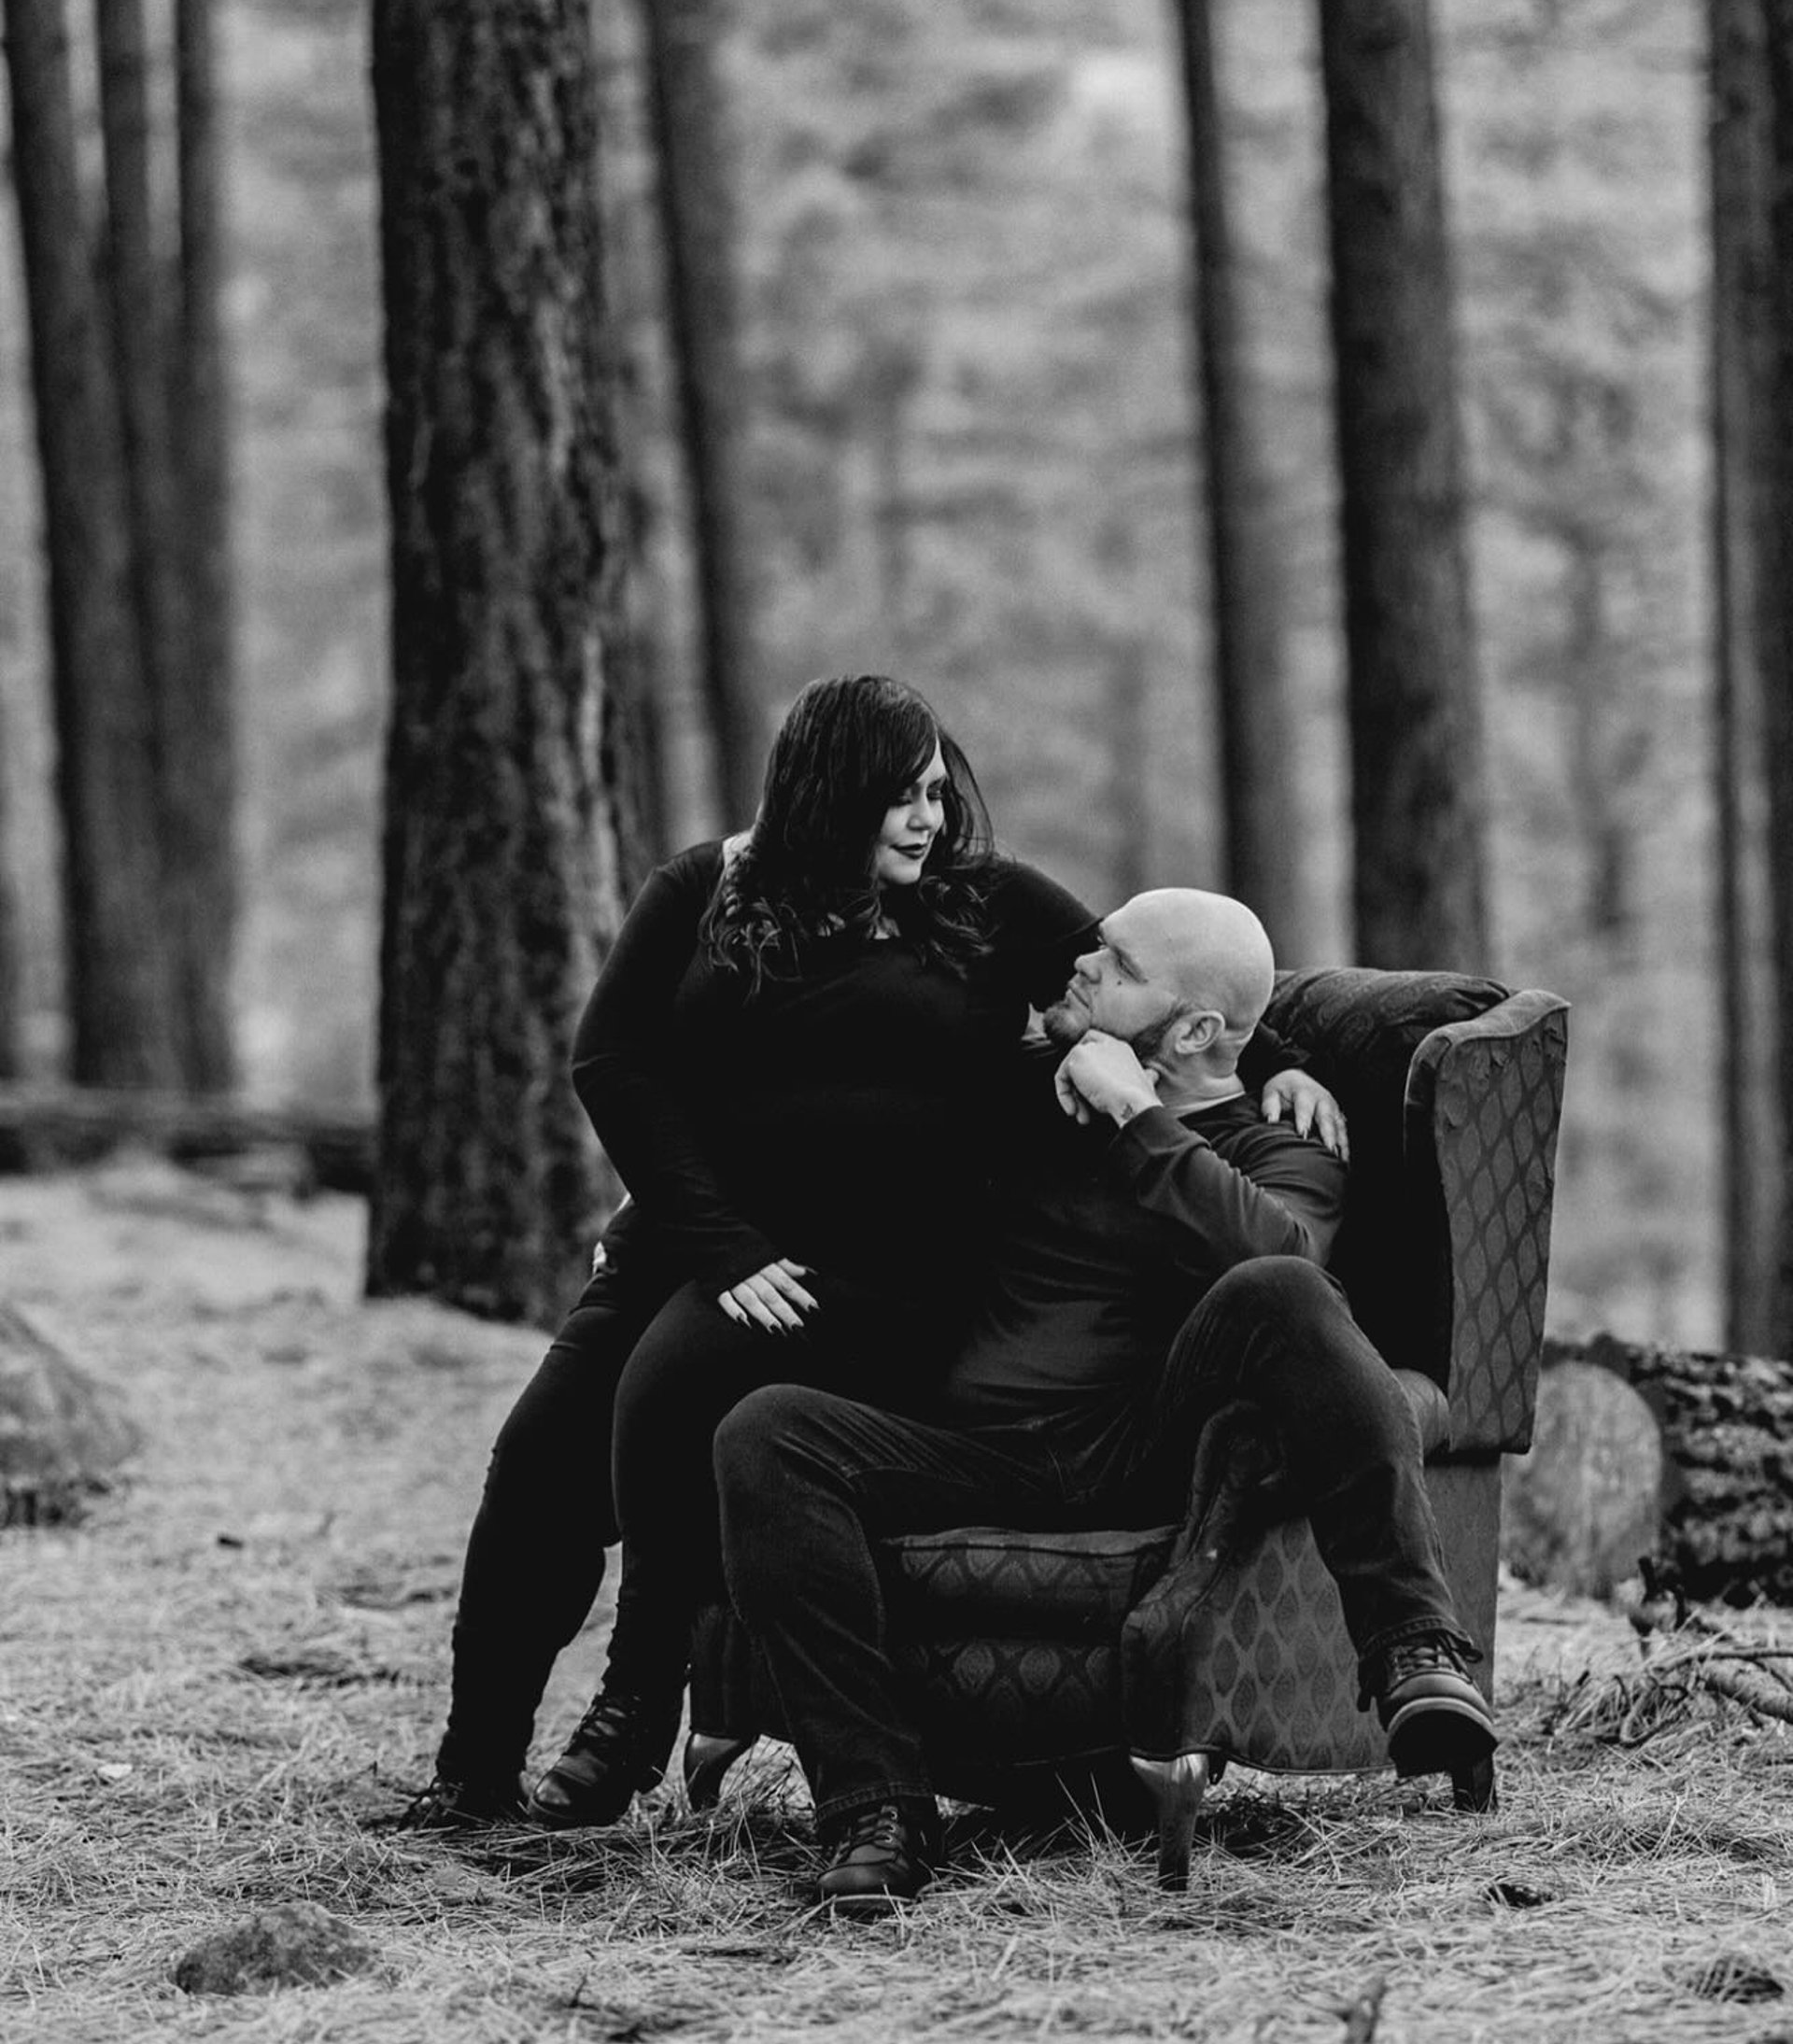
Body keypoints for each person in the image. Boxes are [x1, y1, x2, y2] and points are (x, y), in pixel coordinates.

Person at [403, 682, 1341, 1830]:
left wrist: (1285, 1052)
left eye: (938, 793)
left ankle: (637, 1700)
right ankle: (471, 1775)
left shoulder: (982, 903)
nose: (927, 820)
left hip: (873, 1268)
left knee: (669, 1386)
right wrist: (717, 1238)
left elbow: (1145, 973)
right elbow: (614, 1061)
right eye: (899, 796)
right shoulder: (705, 892)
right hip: (700, 1242)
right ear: (825, 790)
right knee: (540, 1460)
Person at [712, 886, 1496, 1911]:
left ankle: (1413, 1650)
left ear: (1197, 1030)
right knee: (765, 1432)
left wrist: (1138, 1111)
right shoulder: (1031, 1088)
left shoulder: (1279, 1149)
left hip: (1140, 1452)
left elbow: (1280, 1262)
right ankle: (877, 1806)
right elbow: (905, 1000)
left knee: (1284, 1288)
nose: (1082, 964)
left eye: (1118, 966)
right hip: (971, 1448)